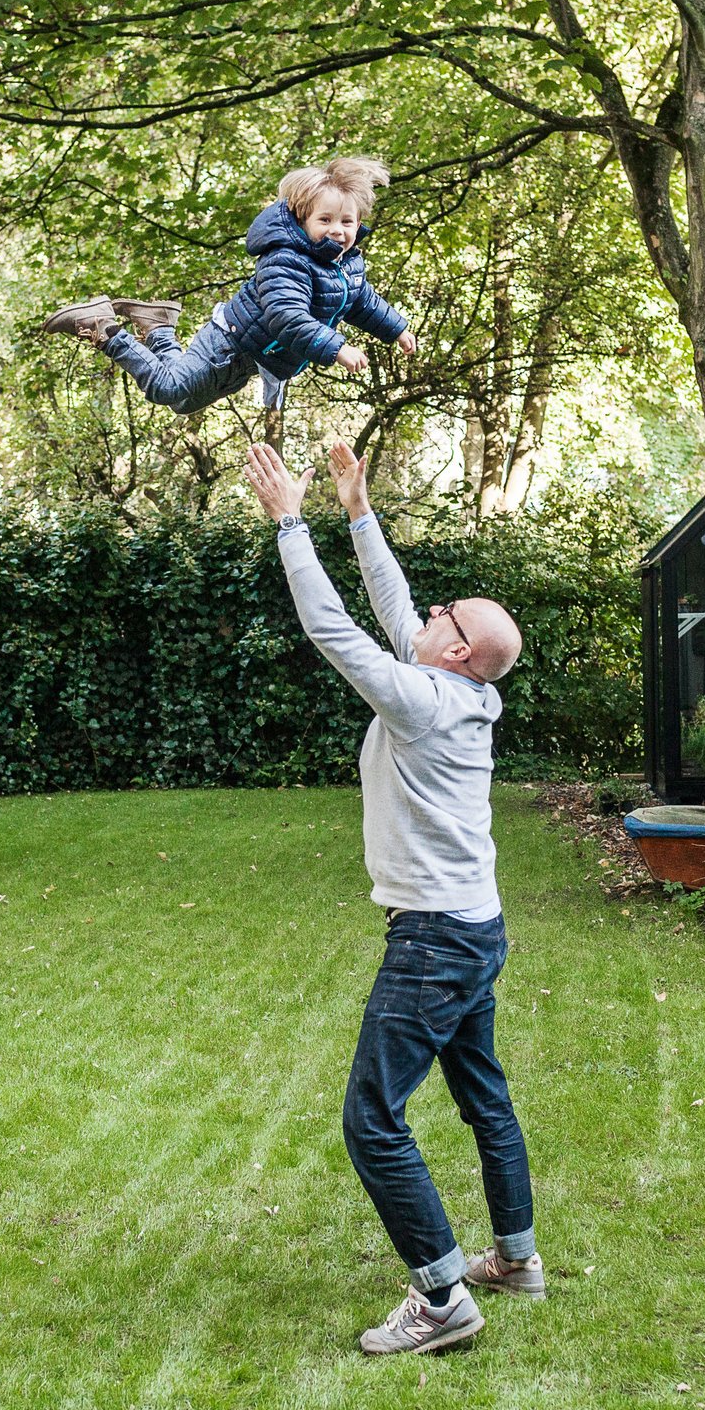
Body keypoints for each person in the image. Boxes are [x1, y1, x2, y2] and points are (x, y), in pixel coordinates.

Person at [243, 439, 544, 1357]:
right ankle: (517, 1259)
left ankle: (445, 1301)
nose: (431, 609)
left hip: (435, 940)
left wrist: (290, 523)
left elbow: (335, 629)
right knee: (483, 1095)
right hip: (476, 926)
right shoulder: (459, 693)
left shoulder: (419, 700)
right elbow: (397, 608)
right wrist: (356, 508)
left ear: (456, 650)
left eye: (446, 613)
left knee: (371, 1120)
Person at [41, 158, 417, 415]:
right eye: (326, 219)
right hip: (230, 342)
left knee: (183, 403)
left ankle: (158, 326)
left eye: (347, 222)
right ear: (303, 220)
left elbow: (363, 303)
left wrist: (397, 328)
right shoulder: (285, 260)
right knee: (168, 390)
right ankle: (102, 328)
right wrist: (337, 349)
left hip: (255, 359)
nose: (338, 230)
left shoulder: (345, 267)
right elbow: (288, 317)